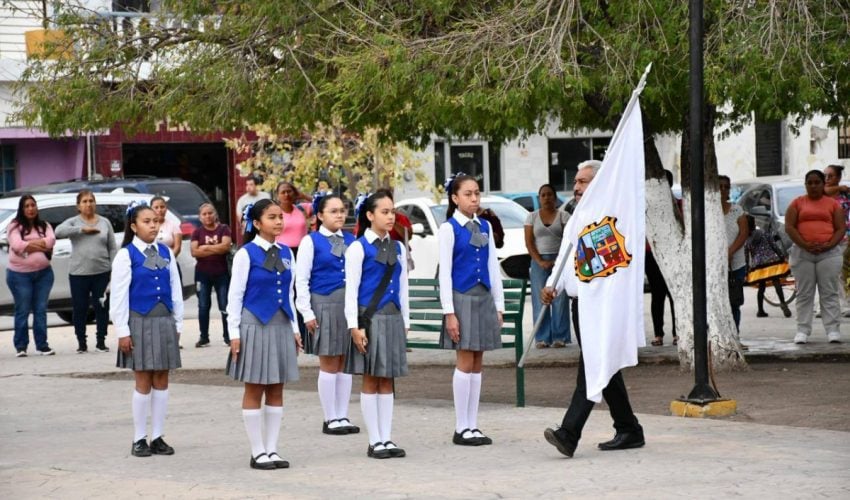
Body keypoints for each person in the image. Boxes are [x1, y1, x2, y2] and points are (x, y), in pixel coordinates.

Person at [541, 161, 644, 458]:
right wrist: (552, 286)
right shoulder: (578, 216)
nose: (576, 186)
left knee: (593, 365)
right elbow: (565, 258)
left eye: (583, 181)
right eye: (576, 181)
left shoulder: (610, 218)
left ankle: (569, 433)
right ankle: (629, 429)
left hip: (601, 307)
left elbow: (612, 266)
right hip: (580, 306)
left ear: (599, 184)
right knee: (604, 367)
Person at [226, 199, 301, 470]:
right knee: (255, 386)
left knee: (277, 387)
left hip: (281, 324)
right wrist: (234, 333)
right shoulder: (246, 254)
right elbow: (235, 296)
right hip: (254, 324)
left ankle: (272, 449)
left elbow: (290, 295)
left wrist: (294, 328)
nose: (279, 221)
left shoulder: (287, 252)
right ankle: (257, 451)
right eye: (272, 217)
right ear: (257, 223)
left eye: (280, 217)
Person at [111, 201, 183, 457]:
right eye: (147, 222)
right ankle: (139, 438)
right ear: (133, 226)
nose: (153, 225)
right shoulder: (126, 255)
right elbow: (119, 296)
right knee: (143, 379)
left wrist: (178, 322)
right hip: (139, 321)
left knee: (162, 378)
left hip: (164, 320)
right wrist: (122, 330)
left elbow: (175, 288)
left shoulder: (165, 252)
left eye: (155, 221)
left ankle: (158, 436)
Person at [439, 174, 505, 446]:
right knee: (465, 361)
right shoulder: (449, 229)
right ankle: (461, 426)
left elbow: (492, 267)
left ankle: (473, 424)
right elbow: (445, 273)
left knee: (477, 363)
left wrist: (498, 305)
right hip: (461, 298)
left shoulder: (485, 226)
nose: (474, 198)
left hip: (482, 298)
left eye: (477, 193)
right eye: (468, 194)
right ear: (455, 198)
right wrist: (449, 312)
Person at [344, 191, 410, 459]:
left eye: (392, 211)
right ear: (370, 215)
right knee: (371, 378)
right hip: (369, 319)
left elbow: (403, 287)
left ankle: (387, 437)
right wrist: (354, 326)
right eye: (384, 212)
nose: (390, 216)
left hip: (393, 317)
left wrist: (406, 321)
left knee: (387, 379)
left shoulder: (398, 247)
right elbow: (351, 290)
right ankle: (374, 441)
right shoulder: (358, 248)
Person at [295, 194, 360, 435]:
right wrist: (306, 312)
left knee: (345, 361)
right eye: (333, 211)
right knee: (330, 361)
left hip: (348, 306)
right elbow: (301, 280)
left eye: (342, 210)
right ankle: (329, 417)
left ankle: (342, 415)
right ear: (320, 215)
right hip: (323, 304)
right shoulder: (310, 242)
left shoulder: (352, 240)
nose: (339, 215)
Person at [785, 170, 844, 344]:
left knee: (829, 292)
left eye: (817, 182)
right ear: (805, 185)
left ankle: (833, 330)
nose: (813, 186)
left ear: (823, 184)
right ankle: (802, 330)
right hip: (803, 254)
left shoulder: (833, 204)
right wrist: (804, 244)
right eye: (809, 183)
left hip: (829, 254)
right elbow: (789, 227)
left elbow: (841, 228)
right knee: (804, 293)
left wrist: (829, 244)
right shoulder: (797, 203)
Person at [55, 190, 117, 353]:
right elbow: (58, 232)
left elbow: (112, 246)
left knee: (101, 307)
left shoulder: (104, 222)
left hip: (102, 272)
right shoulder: (73, 222)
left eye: (91, 201)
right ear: (78, 206)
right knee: (80, 308)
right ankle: (81, 342)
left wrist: (113, 267)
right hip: (79, 274)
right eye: (84, 201)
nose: (88, 204)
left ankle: (101, 341)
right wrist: (82, 230)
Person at [6, 195, 56, 357]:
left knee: (40, 309)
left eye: (33, 205)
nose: (30, 209)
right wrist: (40, 245)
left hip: (43, 274)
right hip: (19, 276)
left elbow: (51, 241)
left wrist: (28, 245)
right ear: (22, 209)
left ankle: (42, 345)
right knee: (23, 309)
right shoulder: (14, 226)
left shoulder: (44, 225)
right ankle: (21, 346)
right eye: (26, 206)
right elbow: (17, 245)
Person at [524, 183, 570, 348]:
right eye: (543, 195)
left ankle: (560, 337)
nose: (546, 198)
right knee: (540, 299)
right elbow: (529, 243)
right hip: (538, 261)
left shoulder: (564, 216)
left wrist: (558, 261)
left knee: (559, 298)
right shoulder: (532, 217)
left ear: (555, 197)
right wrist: (540, 261)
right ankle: (542, 338)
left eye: (549, 194)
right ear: (539, 198)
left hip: (560, 260)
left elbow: (568, 240)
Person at [191, 203, 232, 348]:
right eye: (204, 214)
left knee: (225, 305)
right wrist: (216, 248)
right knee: (203, 306)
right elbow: (194, 252)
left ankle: (228, 336)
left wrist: (206, 247)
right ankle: (204, 337)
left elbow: (226, 247)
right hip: (202, 273)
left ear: (215, 214)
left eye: (210, 213)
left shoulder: (224, 229)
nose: (207, 216)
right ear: (200, 217)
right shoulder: (197, 232)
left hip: (222, 273)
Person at [647, 170, 678, 346]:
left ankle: (677, 333)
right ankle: (658, 333)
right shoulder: (647, 205)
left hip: (674, 253)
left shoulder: (678, 204)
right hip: (651, 254)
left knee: (674, 294)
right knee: (657, 295)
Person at [744, 216, 792, 318]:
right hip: (772, 261)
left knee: (761, 288)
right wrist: (782, 257)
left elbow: (746, 257)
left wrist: (747, 270)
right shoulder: (764, 233)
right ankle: (783, 304)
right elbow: (774, 246)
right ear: (754, 223)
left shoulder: (747, 239)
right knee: (776, 283)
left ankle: (760, 310)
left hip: (759, 265)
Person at [719, 175, 749, 333]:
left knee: (734, 301)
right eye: (720, 186)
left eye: (726, 187)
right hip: (714, 264)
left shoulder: (737, 210)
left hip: (736, 263)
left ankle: (734, 333)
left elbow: (743, 234)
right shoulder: (708, 211)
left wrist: (730, 252)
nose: (723, 190)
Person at [824, 164, 850, 317]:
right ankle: (825, 305)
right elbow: (825, 190)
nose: (827, 179)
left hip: (843, 238)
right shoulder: (821, 194)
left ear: (838, 177)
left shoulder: (845, 195)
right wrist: (840, 187)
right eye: (825, 176)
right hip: (825, 238)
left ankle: (844, 304)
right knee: (825, 273)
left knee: (840, 271)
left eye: (830, 176)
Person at [275, 181, 312, 257]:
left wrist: (304, 196)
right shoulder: (274, 213)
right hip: (281, 253)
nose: (286, 195)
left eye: (289, 191)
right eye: (283, 192)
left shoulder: (302, 208)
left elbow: (323, 203)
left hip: (303, 252)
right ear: (277, 196)